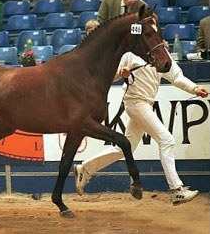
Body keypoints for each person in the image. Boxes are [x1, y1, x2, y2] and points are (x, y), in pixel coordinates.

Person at [74, 51, 209, 205]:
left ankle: (85, 169)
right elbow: (111, 75)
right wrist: (121, 72)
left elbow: (176, 77)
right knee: (167, 140)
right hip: (135, 103)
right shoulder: (130, 54)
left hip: (145, 104)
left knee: (125, 148)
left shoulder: (163, 55)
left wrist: (195, 88)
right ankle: (177, 190)